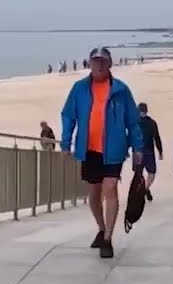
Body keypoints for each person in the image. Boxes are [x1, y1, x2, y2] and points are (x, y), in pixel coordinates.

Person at [60, 47, 143, 258]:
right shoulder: (79, 88)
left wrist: (138, 148)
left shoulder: (121, 90)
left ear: (109, 64)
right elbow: (68, 115)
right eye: (95, 61)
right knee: (94, 194)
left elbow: (133, 122)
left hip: (114, 150)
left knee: (111, 188)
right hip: (89, 150)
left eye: (103, 62)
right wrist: (66, 142)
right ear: (89, 63)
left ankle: (108, 239)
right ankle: (101, 228)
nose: (99, 65)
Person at [136, 103, 164, 198]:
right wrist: (160, 151)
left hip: (137, 152)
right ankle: (146, 188)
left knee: (138, 173)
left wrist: (125, 150)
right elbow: (156, 137)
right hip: (149, 151)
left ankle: (140, 190)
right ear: (146, 111)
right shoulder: (152, 122)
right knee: (151, 173)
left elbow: (130, 137)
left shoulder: (134, 122)